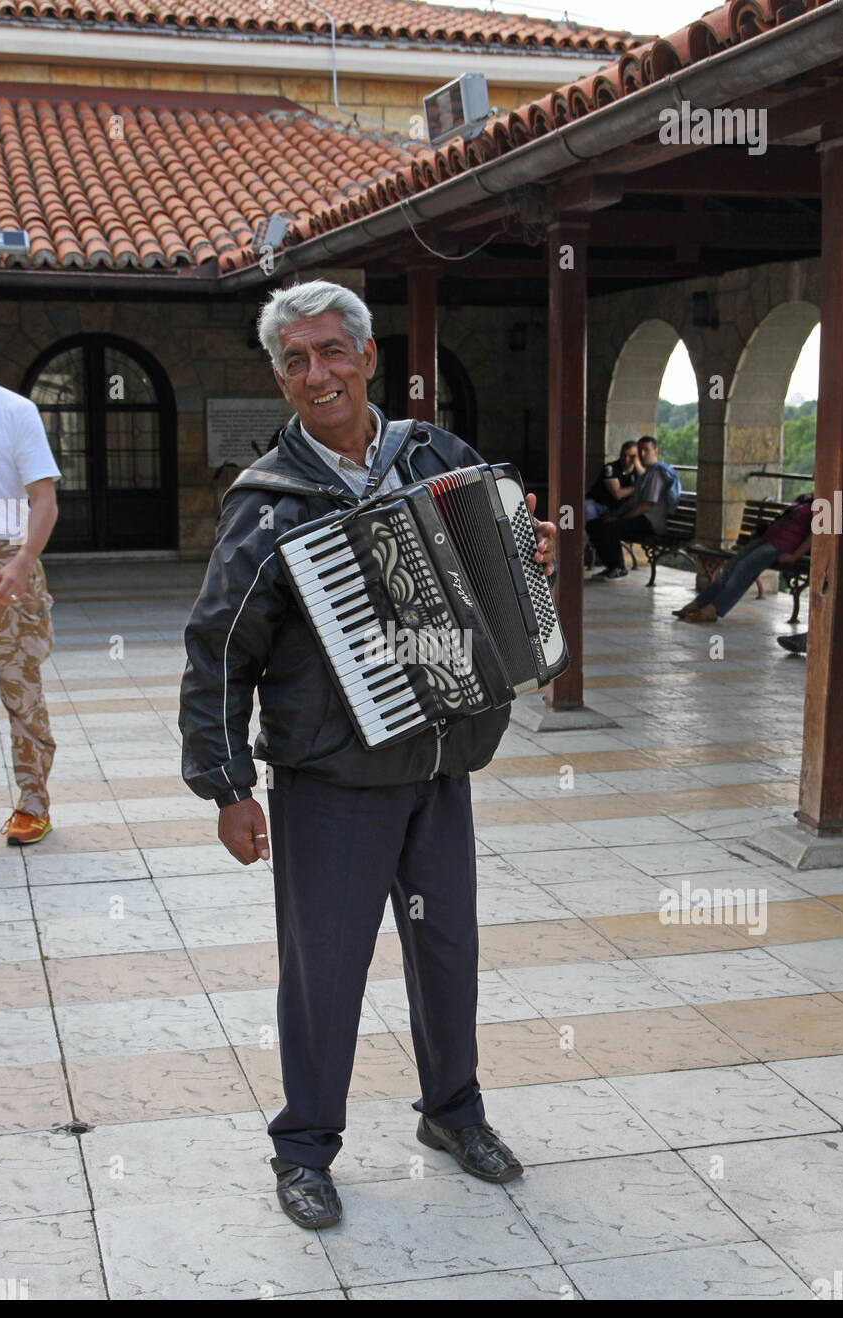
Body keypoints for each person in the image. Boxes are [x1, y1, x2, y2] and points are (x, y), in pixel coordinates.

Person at [179, 279, 558, 1231]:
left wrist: (531, 558)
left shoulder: (436, 456)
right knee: (325, 971)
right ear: (279, 376)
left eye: (332, 352)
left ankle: (452, 1113)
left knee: (447, 951)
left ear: (368, 357)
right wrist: (226, 785)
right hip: (332, 780)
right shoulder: (267, 505)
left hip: (440, 765)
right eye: (296, 361)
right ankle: (304, 1147)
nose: (318, 375)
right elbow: (220, 648)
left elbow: (500, 569)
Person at [0, 353, 60, 845]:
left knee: (19, 686)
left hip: (6, 556)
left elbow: (44, 500)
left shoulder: (13, 411)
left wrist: (21, 561)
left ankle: (33, 804)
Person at [675, 494, 813, 623]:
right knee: (730, 566)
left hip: (784, 546)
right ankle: (699, 603)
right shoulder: (806, 497)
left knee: (744, 568)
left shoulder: (823, 502)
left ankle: (713, 610)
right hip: (768, 538)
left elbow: (815, 534)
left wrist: (795, 556)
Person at [587, 435, 680, 579]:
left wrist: (621, 518)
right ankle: (611, 566)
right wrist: (615, 515)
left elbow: (647, 504)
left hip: (650, 522)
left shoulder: (656, 473)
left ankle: (618, 567)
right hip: (641, 518)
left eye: (646, 450)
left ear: (655, 451)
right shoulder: (646, 474)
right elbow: (632, 502)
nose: (643, 454)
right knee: (595, 524)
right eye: (640, 451)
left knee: (609, 528)